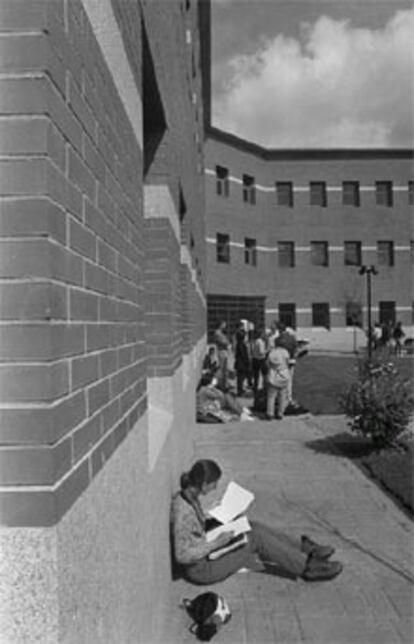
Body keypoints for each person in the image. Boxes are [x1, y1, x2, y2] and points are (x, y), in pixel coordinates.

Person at [171, 460, 343, 585]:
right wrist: (217, 542)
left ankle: (303, 548)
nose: (215, 488)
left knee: (252, 525)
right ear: (204, 483)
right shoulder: (182, 511)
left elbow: (194, 529)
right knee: (255, 538)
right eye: (214, 484)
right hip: (203, 569)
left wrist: (213, 514)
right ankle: (307, 568)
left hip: (206, 548)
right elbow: (182, 555)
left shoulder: (188, 495)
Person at [266, 336, 290, 420]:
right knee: (282, 396)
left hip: (273, 374)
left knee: (271, 396)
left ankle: (270, 413)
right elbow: (287, 362)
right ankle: (280, 413)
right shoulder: (285, 352)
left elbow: (268, 363)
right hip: (283, 375)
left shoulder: (272, 352)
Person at [234, 321, 251, 396]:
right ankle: (240, 391)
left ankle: (240, 390)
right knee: (240, 377)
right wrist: (247, 361)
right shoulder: (241, 345)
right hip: (241, 363)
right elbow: (244, 355)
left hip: (240, 362)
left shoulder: (239, 344)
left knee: (241, 377)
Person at [213, 321, 230, 390]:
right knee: (221, 369)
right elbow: (224, 342)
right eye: (223, 324)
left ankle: (224, 385)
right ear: (220, 325)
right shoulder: (218, 333)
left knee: (225, 370)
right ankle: (218, 384)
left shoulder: (221, 333)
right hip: (222, 351)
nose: (225, 325)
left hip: (224, 351)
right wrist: (226, 342)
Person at [251, 329, 267, 394]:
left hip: (254, 359)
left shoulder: (255, 341)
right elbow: (261, 352)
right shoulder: (260, 342)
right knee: (263, 374)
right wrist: (267, 351)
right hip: (260, 359)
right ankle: (261, 387)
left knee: (256, 375)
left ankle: (255, 387)